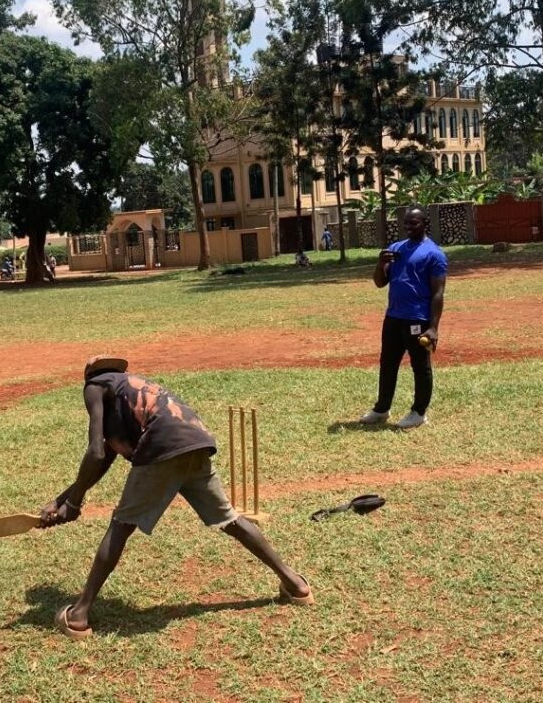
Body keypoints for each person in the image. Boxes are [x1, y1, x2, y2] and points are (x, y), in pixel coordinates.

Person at [42, 356, 315, 639]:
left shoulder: (94, 387)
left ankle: (78, 615)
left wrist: (73, 504)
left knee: (121, 526)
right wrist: (65, 499)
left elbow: (95, 452)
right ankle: (295, 584)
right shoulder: (130, 392)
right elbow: (103, 459)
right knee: (230, 519)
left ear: (90, 377)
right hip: (195, 441)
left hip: (162, 445)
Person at [359, 207, 447, 429]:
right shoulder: (395, 249)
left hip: (417, 319)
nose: (409, 227)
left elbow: (438, 293)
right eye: (406, 223)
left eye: (414, 223)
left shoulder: (434, 253)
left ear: (424, 223)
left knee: (420, 365)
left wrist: (433, 327)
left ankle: (419, 412)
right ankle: (382, 409)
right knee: (387, 363)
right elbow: (380, 282)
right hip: (393, 317)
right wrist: (380, 263)